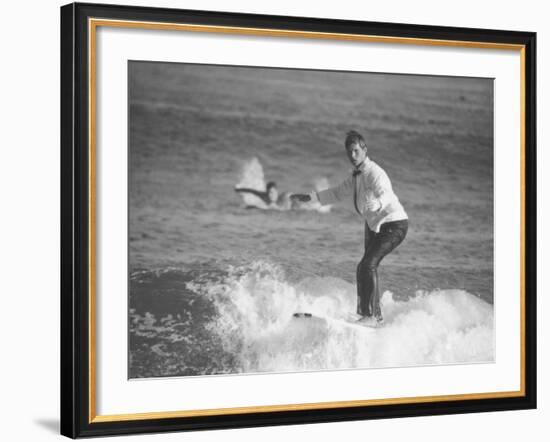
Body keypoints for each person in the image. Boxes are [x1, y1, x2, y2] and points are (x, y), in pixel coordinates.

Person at [291, 130, 408, 325]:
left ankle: (370, 316)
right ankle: (373, 316)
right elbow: (337, 193)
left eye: (355, 151)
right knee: (366, 267)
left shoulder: (374, 172)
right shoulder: (356, 176)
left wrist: (378, 204)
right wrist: (312, 197)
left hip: (393, 224)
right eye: (349, 153)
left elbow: (386, 192)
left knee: (367, 265)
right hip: (374, 225)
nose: (352, 156)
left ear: (364, 150)